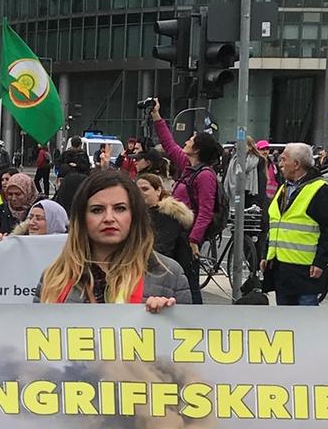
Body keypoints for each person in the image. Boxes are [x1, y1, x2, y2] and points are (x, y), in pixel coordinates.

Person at [35, 168, 188, 309]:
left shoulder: (168, 274)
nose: (109, 218)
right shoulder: (54, 277)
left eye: (120, 208)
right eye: (97, 210)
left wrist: (165, 320)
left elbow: (189, 334)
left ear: (134, 216)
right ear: (81, 219)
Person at [148, 105, 219, 302]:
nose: (186, 141)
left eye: (191, 140)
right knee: (179, 280)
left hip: (188, 238)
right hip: (178, 234)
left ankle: (195, 320)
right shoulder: (189, 167)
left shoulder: (205, 176)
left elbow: (205, 211)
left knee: (189, 282)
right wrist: (156, 116)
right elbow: (169, 145)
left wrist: (194, 240)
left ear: (196, 149)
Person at [261, 143, 328, 306]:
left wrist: (320, 262)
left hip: (305, 270)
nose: (280, 164)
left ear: (296, 164)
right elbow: (275, 225)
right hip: (281, 268)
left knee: (305, 323)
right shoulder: (283, 188)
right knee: (285, 324)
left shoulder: (319, 189)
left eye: (283, 159)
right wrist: (266, 254)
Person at [137, 172, 195, 277]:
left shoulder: (168, 215)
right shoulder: (137, 214)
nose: (140, 193)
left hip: (164, 272)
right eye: (137, 190)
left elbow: (163, 247)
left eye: (145, 189)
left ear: (158, 190)